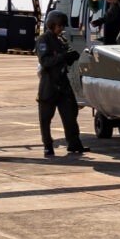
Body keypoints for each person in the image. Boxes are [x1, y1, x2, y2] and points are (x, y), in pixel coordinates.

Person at [35, 10, 86, 158]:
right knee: (45, 118)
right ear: (51, 25)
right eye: (59, 26)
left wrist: (70, 57)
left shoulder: (61, 39)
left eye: (62, 26)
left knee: (70, 115)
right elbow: (45, 61)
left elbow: (65, 58)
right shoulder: (43, 40)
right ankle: (48, 146)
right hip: (49, 85)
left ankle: (74, 144)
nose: (61, 28)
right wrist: (63, 57)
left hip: (63, 84)